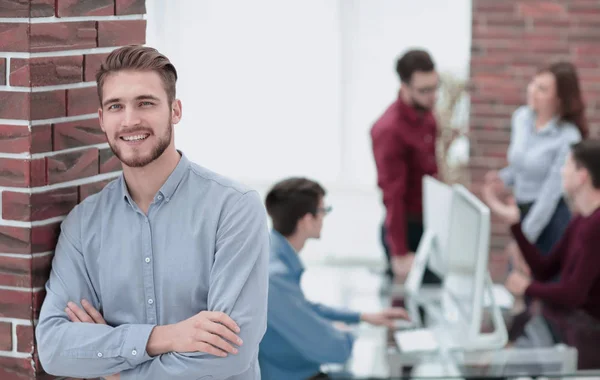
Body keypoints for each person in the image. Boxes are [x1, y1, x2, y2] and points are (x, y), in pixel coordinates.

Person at [35, 45, 270, 380]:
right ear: (102, 119)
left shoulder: (233, 208)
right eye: (116, 106)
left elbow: (231, 352)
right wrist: (165, 337)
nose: (130, 120)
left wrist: (113, 368)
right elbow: (55, 349)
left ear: (175, 110)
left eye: (146, 102)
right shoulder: (83, 225)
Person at [258, 177, 409, 380]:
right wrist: (341, 331)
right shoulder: (276, 278)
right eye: (323, 211)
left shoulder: (271, 252)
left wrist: (361, 316)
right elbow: (336, 351)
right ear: (307, 220)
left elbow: (302, 307)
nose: (324, 218)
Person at [483, 62, 586, 275]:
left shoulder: (568, 136)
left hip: (549, 218)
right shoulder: (521, 117)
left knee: (545, 291)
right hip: (522, 211)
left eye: (542, 89)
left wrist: (524, 240)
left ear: (559, 100)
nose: (532, 90)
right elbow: (521, 166)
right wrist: (503, 178)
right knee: (518, 288)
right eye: (533, 83)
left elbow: (549, 194)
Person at [482, 140, 600, 319]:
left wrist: (526, 287)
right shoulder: (580, 221)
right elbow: (544, 271)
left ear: (582, 176)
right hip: (575, 326)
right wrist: (515, 225)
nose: (562, 172)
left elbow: (574, 294)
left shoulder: (596, 225)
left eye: (567, 166)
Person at [370, 49, 440, 281]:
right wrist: (400, 252)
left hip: (428, 224)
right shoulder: (389, 130)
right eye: (424, 90)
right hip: (405, 230)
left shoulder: (425, 113)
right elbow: (393, 195)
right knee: (405, 309)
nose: (433, 96)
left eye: (435, 87)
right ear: (404, 86)